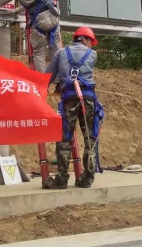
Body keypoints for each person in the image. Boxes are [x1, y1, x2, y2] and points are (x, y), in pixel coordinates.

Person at [43, 27, 104, 190]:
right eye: (90, 42)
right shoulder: (93, 54)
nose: (91, 45)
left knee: (64, 139)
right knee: (90, 139)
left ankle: (61, 179)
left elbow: (47, 77)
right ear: (84, 39)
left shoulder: (61, 53)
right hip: (88, 99)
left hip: (69, 99)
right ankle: (87, 179)